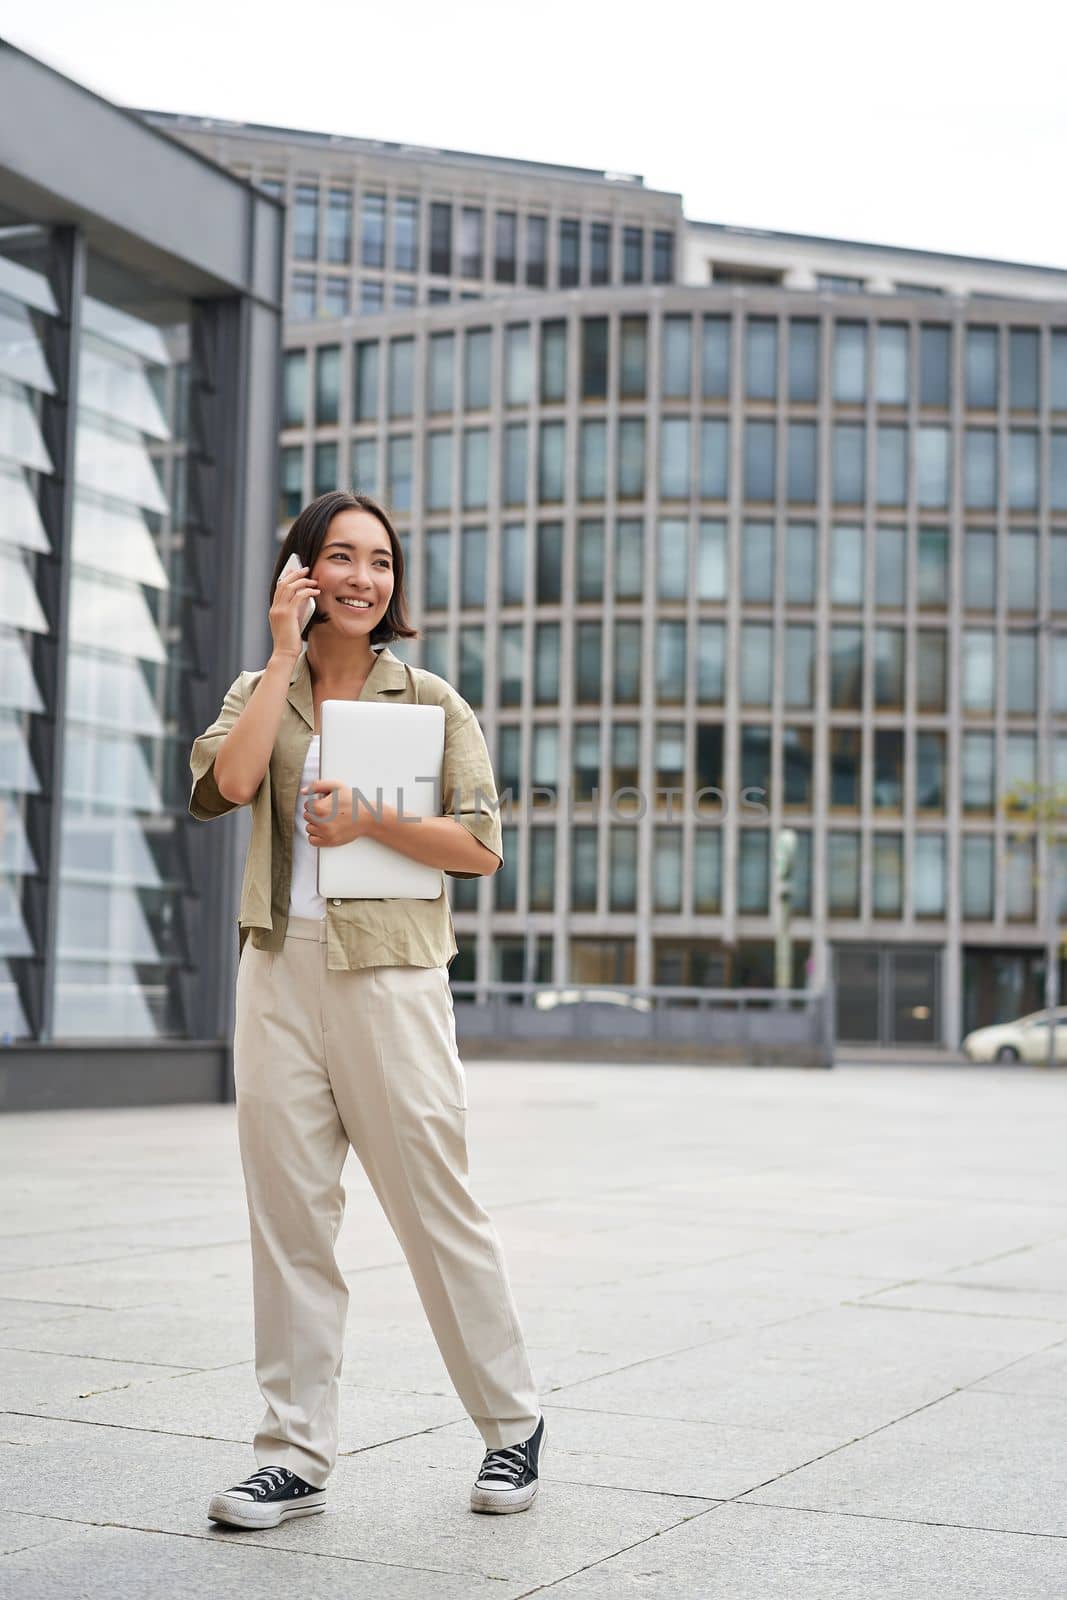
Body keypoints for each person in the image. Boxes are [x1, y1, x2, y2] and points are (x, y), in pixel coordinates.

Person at [188, 490, 545, 1529]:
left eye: (377, 562)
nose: (360, 578)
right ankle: (292, 1454)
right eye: (337, 558)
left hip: (389, 975)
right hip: (276, 974)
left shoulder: (429, 699)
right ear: (300, 571)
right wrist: (279, 654)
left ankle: (511, 1426)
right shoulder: (261, 686)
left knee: (436, 1207)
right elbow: (226, 782)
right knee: (289, 1216)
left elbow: (480, 845)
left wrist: (371, 818)